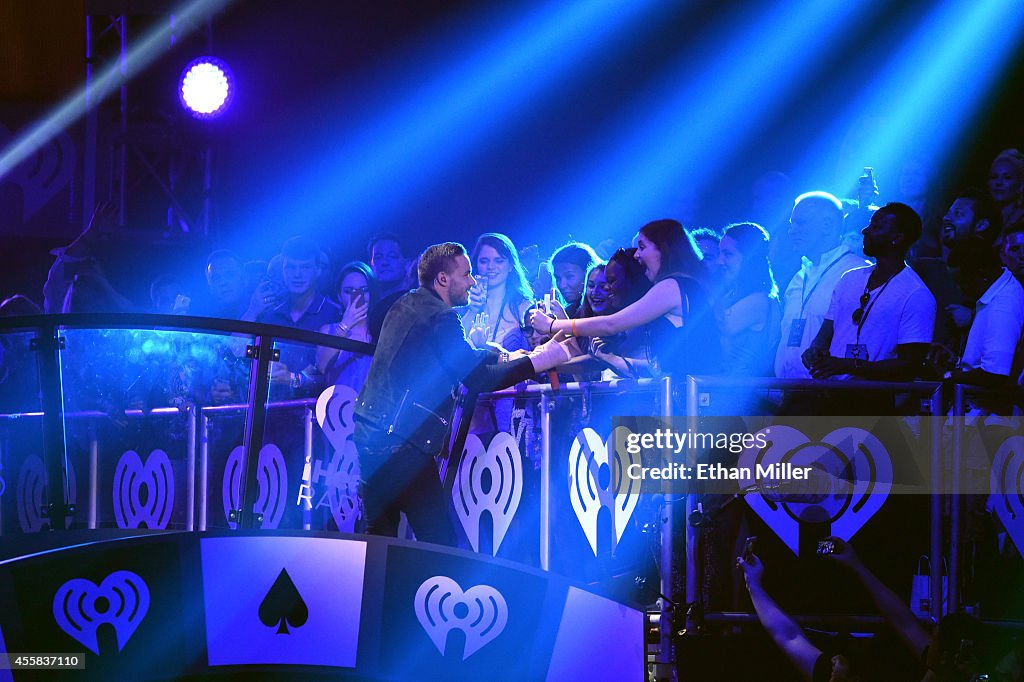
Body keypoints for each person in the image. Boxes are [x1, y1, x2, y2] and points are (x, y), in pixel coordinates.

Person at [353, 242, 577, 545]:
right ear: (443, 279)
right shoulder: (442, 316)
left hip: (369, 433)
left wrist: (503, 356)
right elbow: (478, 380)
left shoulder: (407, 303)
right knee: (438, 542)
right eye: (467, 274)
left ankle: (379, 593)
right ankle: (429, 594)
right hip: (401, 443)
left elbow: (446, 357)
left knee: (379, 541)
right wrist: (542, 359)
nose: (473, 281)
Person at [530, 219, 721, 378]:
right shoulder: (684, 284)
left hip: (694, 409)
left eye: (642, 246)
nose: (636, 255)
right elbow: (660, 367)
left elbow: (610, 325)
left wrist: (551, 325)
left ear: (662, 249)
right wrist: (611, 359)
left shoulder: (673, 285)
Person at [803, 203, 935, 381]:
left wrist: (847, 365)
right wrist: (814, 351)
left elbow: (909, 366)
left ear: (897, 237)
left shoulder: (916, 294)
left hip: (873, 399)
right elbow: (824, 336)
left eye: (876, 226)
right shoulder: (849, 279)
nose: (865, 231)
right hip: (829, 392)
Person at [737, 547, 879, 682]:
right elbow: (901, 620)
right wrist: (858, 567)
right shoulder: (837, 673)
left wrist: (753, 584)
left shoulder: (836, 675)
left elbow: (789, 636)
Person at [775, 192, 869, 380]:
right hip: (788, 393)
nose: (792, 231)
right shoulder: (799, 277)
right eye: (791, 224)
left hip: (830, 397)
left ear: (827, 225)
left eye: (800, 223)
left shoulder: (857, 273)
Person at [259, 236, 341, 395]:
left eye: (305, 267)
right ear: (283, 270)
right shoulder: (271, 317)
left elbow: (338, 376)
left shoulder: (334, 314)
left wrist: (294, 378)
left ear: (318, 271)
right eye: (290, 267)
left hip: (316, 413)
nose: (297, 274)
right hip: (272, 412)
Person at [715, 222, 780, 377]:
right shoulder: (732, 294)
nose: (719, 261)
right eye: (719, 254)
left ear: (751, 258)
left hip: (746, 392)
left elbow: (707, 331)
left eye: (728, 254)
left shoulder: (759, 300)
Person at [462, 233, 533, 353]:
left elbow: (535, 355)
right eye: (484, 261)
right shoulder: (463, 304)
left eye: (499, 261)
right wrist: (472, 310)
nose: (491, 266)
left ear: (510, 266)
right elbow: (451, 347)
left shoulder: (524, 307)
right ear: (476, 265)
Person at [316, 261, 378, 392]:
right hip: (337, 407)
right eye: (349, 291)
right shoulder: (328, 330)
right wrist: (345, 325)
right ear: (339, 296)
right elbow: (321, 366)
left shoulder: (382, 330)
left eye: (364, 290)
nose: (357, 297)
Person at [366, 232, 411, 340]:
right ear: (370, 265)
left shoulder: (419, 303)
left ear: (407, 263)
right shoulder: (365, 307)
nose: (384, 262)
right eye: (378, 257)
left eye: (392, 256)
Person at [549, 241, 600, 317]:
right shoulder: (570, 311)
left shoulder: (603, 309)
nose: (562, 285)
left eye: (569, 276)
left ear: (588, 273)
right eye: (558, 278)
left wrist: (563, 323)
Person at [988, 148, 1024, 233]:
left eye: (1007, 177)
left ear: (1020, 186)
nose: (998, 183)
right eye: (994, 177)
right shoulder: (984, 221)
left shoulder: (1021, 221)